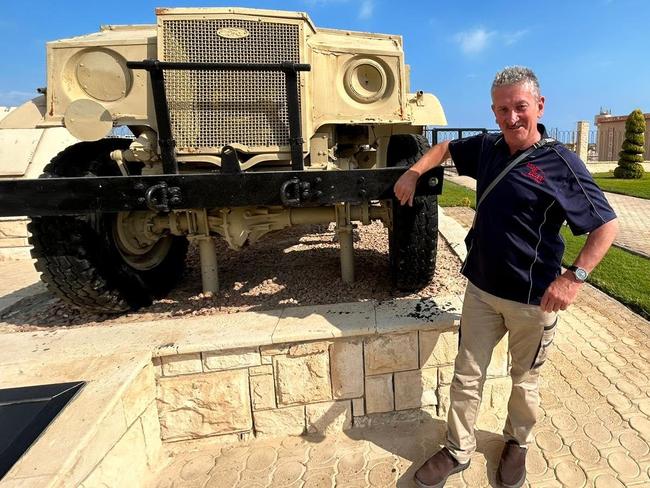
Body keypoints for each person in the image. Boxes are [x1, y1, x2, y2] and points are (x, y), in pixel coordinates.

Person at [394, 66, 618, 488]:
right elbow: (443, 148)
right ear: (493, 112)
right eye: (502, 109)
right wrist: (413, 171)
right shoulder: (490, 147)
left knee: (525, 381)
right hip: (480, 290)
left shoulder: (560, 164)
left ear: (539, 105)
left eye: (520, 107)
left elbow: (606, 226)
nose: (511, 118)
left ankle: (518, 444)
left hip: (532, 300)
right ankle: (457, 450)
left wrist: (574, 278)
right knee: (466, 374)